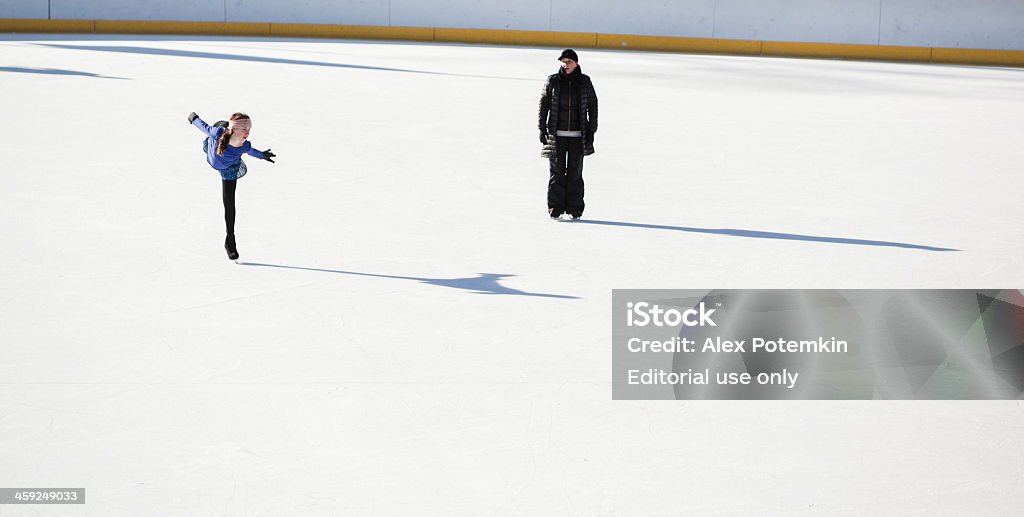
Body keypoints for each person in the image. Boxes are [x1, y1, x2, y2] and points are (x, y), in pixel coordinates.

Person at [188, 111, 276, 260]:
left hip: (229, 169)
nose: (248, 132)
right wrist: (193, 118)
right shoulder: (216, 134)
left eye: (249, 129)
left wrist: (263, 155)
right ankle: (223, 124)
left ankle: (230, 241)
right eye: (244, 129)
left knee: (229, 204)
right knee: (217, 129)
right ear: (235, 128)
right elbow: (203, 126)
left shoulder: (244, 146)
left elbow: (252, 151)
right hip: (213, 148)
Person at [538, 48, 598, 220]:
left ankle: (575, 209)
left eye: (569, 62)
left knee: (575, 174)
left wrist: (592, 131)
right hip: (556, 136)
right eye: (563, 62)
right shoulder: (552, 81)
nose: (566, 65)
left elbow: (593, 106)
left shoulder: (585, 81)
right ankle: (555, 209)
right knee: (556, 174)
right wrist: (541, 128)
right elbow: (544, 105)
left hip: (578, 137)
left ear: (576, 63)